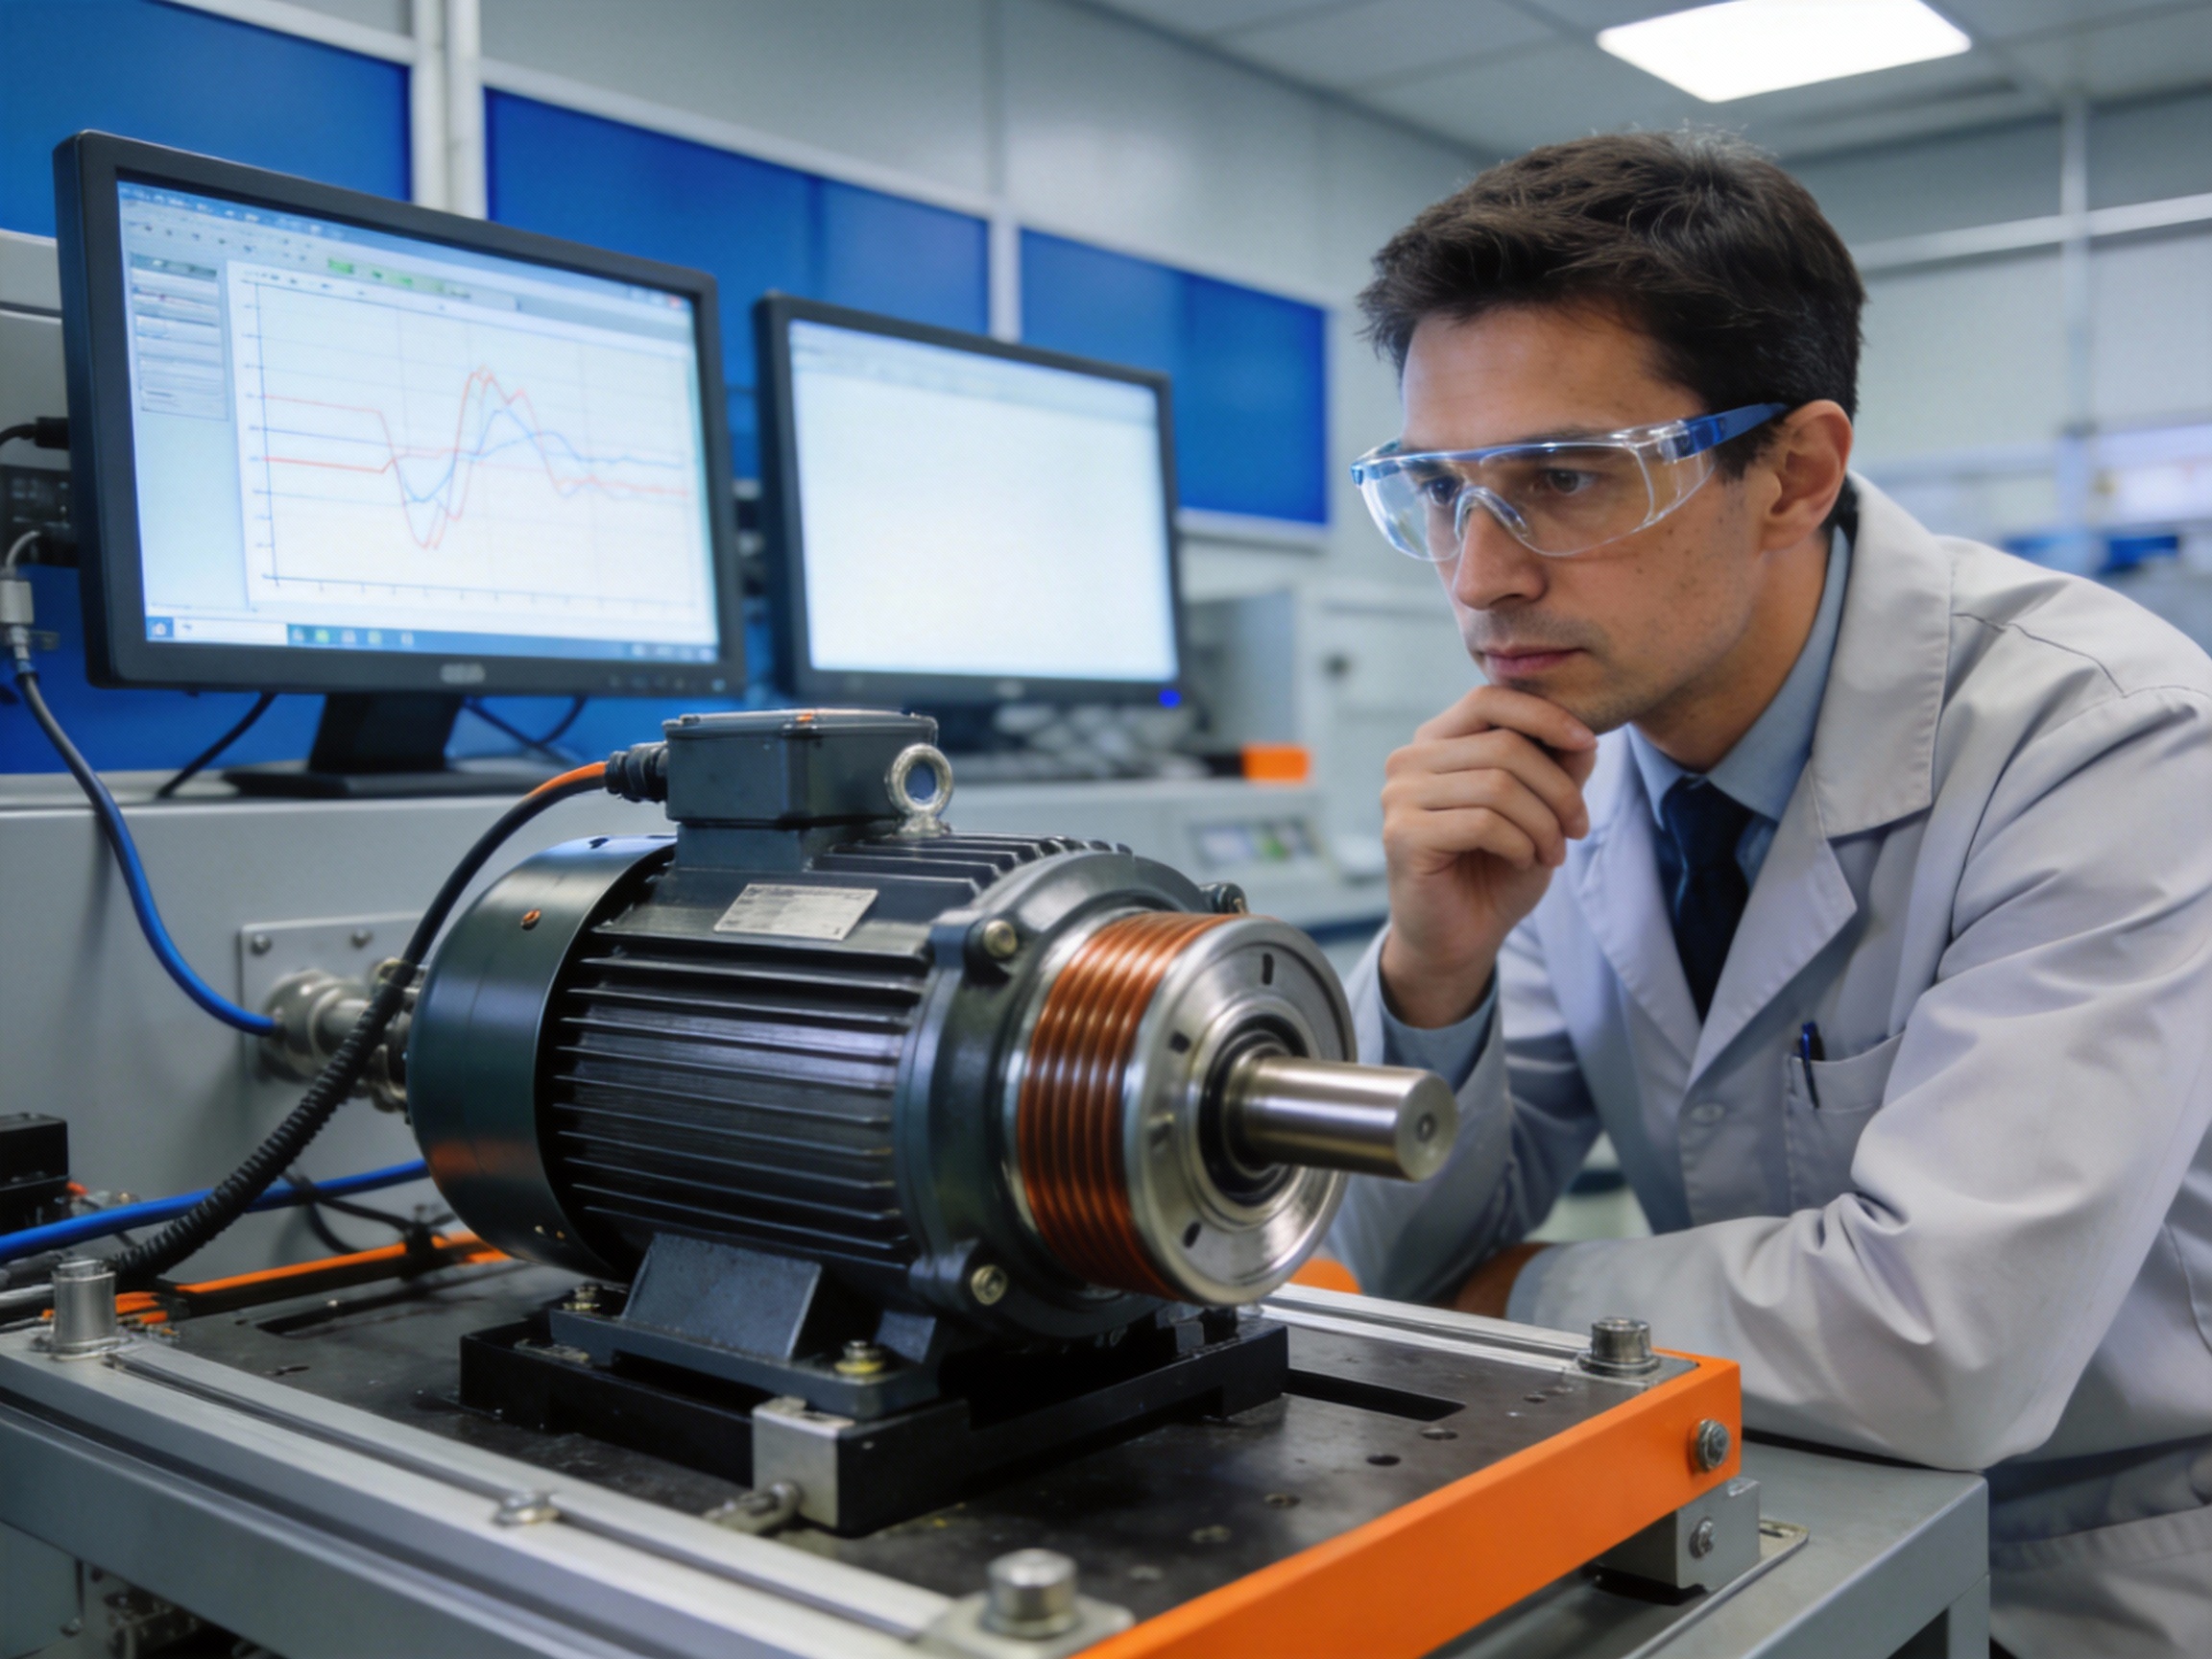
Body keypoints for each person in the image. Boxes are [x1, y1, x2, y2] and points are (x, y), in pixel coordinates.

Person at [1324, 130, 2212, 1658]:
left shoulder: (2107, 737)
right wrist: (1432, 977)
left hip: (2098, 1564)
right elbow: (1391, 1266)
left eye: (1561, 479)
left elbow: (1953, 1347)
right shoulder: (1578, 757)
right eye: (1439, 492)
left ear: (1792, 472)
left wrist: (1515, 1296)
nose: (1477, 578)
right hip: (1764, 1513)